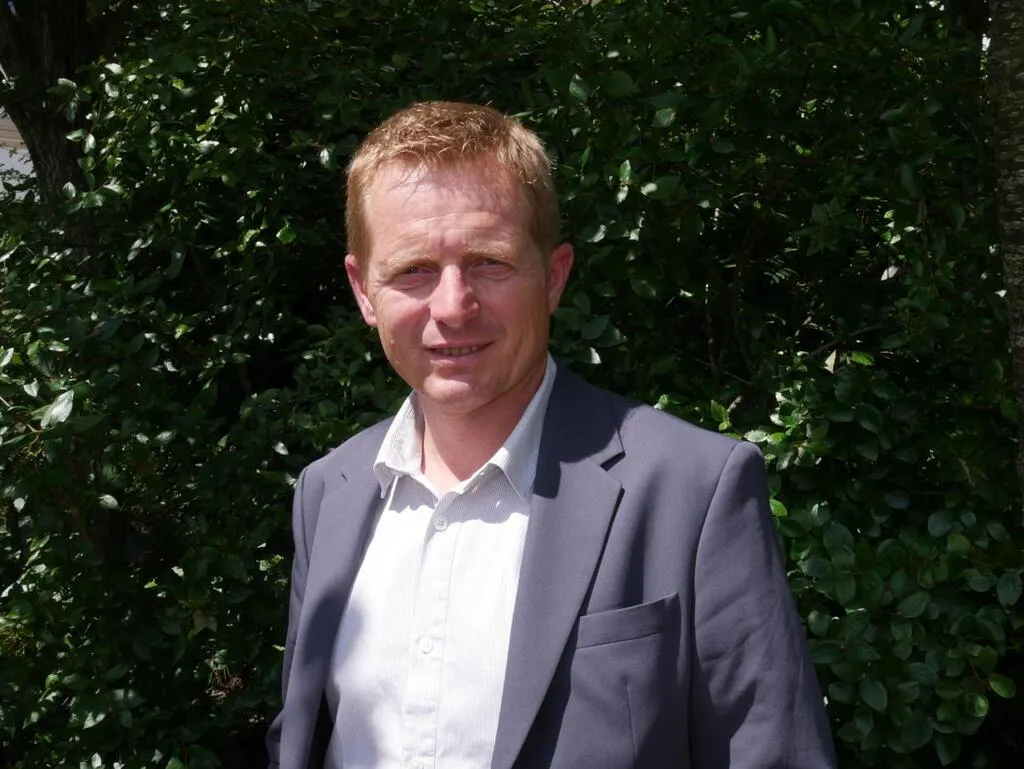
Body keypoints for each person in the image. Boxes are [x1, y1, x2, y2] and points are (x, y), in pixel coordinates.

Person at [266, 101, 836, 769]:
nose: (452, 306)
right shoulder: (326, 493)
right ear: (364, 290)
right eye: (413, 270)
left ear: (554, 276)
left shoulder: (693, 490)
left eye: (489, 262)